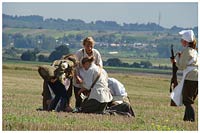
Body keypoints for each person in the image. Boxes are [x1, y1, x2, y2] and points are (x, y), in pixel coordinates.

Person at [170, 30, 198, 122]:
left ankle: (191, 120)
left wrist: (175, 60)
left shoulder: (187, 51)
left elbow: (181, 66)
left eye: (182, 40)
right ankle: (186, 120)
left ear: (185, 41)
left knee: (187, 100)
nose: (181, 41)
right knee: (187, 100)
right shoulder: (194, 51)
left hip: (190, 77)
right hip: (195, 77)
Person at [73, 37, 103, 110]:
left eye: (91, 46)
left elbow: (100, 66)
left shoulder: (96, 53)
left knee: (90, 96)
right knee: (78, 96)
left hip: (92, 79)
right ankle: (77, 108)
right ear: (84, 45)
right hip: (79, 78)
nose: (89, 48)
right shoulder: (79, 53)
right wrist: (77, 77)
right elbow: (74, 67)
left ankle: (87, 109)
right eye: (87, 46)